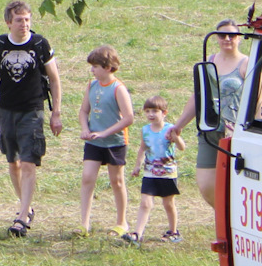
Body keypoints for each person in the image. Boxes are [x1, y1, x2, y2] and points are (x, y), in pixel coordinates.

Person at [0, 0, 62, 238]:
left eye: (27, 20)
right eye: (19, 20)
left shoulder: (40, 44)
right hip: (6, 110)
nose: (24, 24)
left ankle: (22, 217)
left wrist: (56, 113)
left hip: (32, 110)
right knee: (13, 161)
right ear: (8, 22)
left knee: (29, 160)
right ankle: (26, 205)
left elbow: (54, 79)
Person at [167, 19, 252, 209]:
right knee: (206, 184)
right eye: (222, 35)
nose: (227, 39)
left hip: (235, 133)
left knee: (235, 181)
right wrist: (179, 125)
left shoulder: (246, 64)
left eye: (232, 35)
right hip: (210, 128)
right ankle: (225, 215)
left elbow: (258, 100)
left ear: (240, 38)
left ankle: (234, 221)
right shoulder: (210, 62)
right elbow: (198, 96)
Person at [74, 45, 132, 236]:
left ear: (108, 67)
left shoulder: (118, 88)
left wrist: (106, 133)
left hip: (115, 142)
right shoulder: (91, 85)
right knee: (87, 177)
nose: (92, 70)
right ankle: (84, 223)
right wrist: (85, 129)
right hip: (93, 141)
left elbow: (128, 118)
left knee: (117, 181)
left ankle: (122, 222)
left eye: (95, 66)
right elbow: (84, 111)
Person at [130, 94, 181, 244]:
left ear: (164, 113)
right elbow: (142, 148)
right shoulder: (145, 130)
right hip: (150, 172)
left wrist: (175, 137)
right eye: (147, 111)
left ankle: (173, 231)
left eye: (154, 111)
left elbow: (182, 147)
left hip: (168, 173)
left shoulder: (170, 128)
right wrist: (137, 166)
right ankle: (137, 234)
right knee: (145, 202)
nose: (150, 114)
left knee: (168, 203)